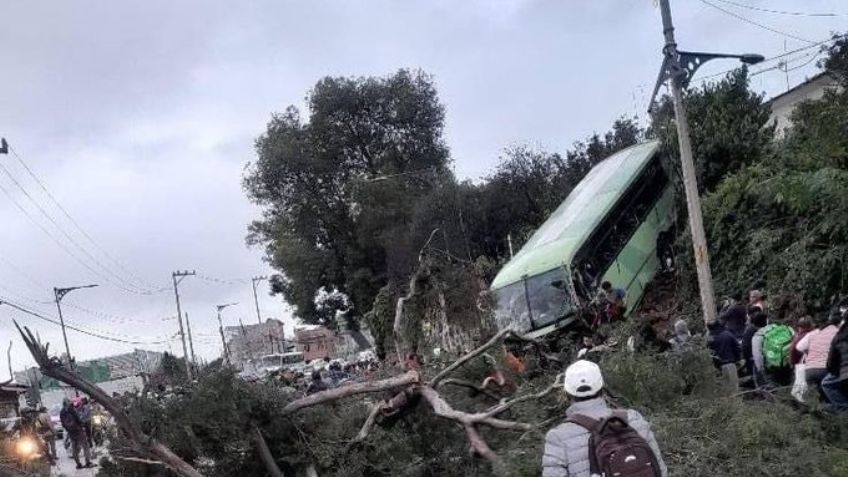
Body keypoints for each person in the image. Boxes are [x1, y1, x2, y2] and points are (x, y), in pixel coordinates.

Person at [542, 360, 667, 477]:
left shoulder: (558, 437)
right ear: (602, 387)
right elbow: (659, 469)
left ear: (567, 393)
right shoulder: (633, 418)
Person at [797, 312, 841, 398]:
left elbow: (799, 347)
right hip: (826, 369)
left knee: (816, 398)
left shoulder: (814, 333)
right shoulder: (837, 332)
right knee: (830, 395)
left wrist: (809, 352)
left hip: (810, 370)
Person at [822, 307, 848, 411]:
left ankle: (844, 411)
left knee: (826, 383)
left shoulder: (839, 336)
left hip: (845, 374)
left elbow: (831, 362)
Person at [60, 398, 94, 469]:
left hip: (71, 432)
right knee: (85, 446)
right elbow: (78, 419)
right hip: (78, 430)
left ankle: (78, 464)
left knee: (74, 448)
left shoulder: (62, 412)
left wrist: (68, 430)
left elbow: (63, 424)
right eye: (69, 401)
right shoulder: (72, 409)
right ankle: (88, 462)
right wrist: (81, 425)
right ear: (68, 403)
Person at [707, 320, 741, 390]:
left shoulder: (709, 338)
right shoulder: (727, 334)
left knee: (723, 391)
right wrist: (738, 360)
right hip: (730, 364)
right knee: (734, 389)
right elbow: (737, 348)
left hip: (716, 369)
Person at [789, 316, 814, 401]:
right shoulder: (814, 334)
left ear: (800, 326)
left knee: (800, 388)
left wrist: (792, 362)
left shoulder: (800, 336)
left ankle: (800, 406)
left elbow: (793, 350)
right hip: (812, 363)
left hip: (801, 364)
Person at [742, 311, 767, 386]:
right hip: (757, 359)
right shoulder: (764, 331)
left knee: (759, 379)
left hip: (755, 359)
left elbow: (745, 347)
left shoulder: (749, 331)